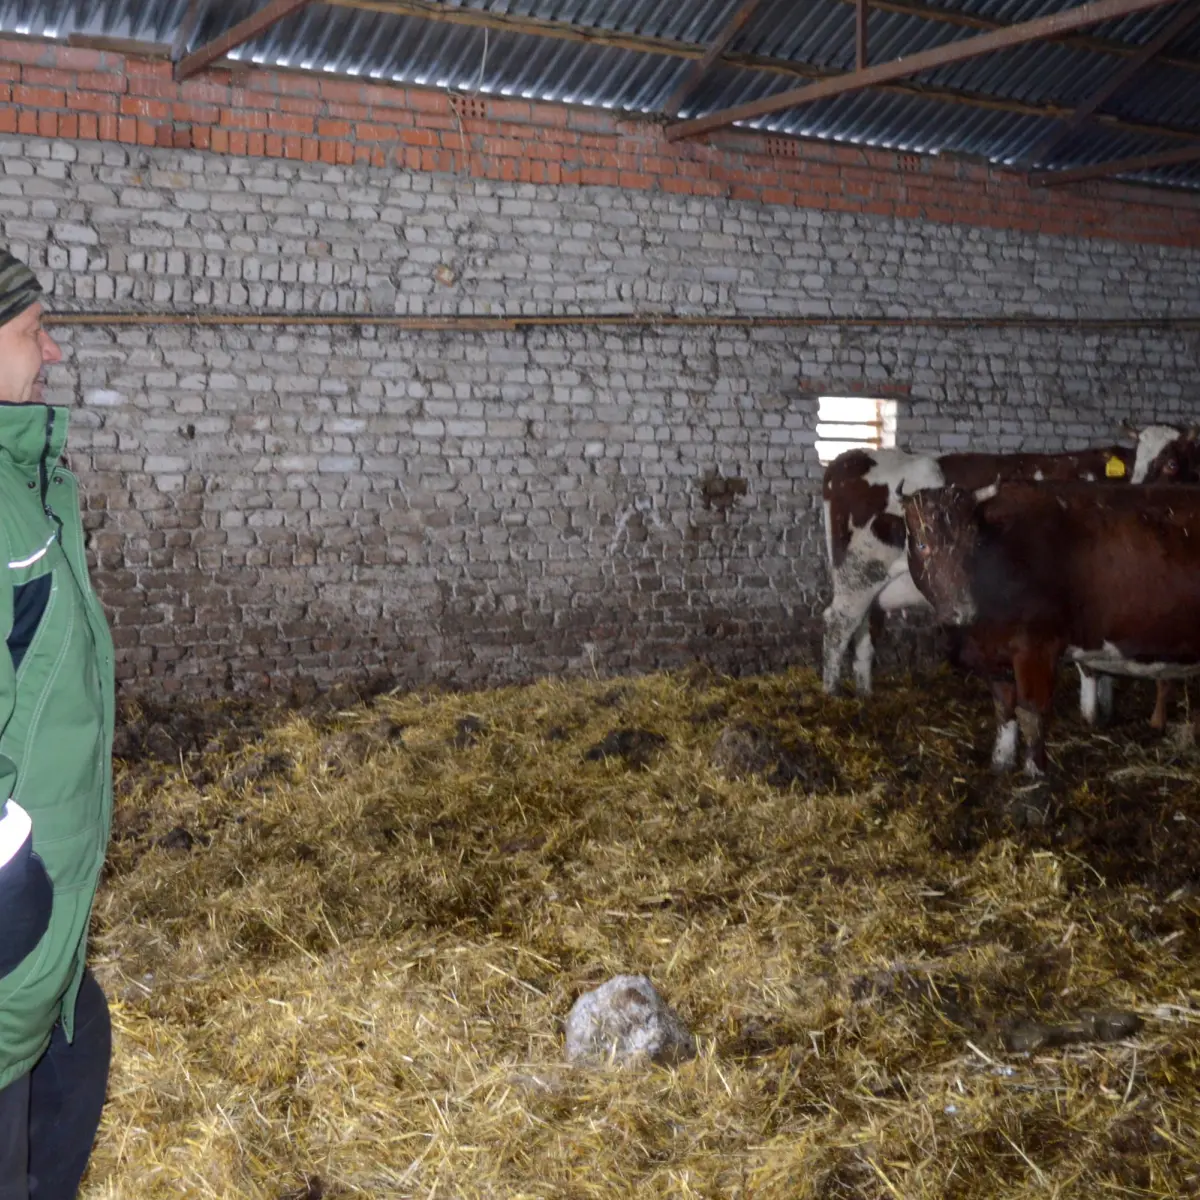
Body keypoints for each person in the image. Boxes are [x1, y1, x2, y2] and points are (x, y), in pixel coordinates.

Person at [0, 248, 116, 1199]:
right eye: (34, 329)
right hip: (9, 940)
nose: (55, 349)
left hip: (43, 938)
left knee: (79, 1060)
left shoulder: (23, 482)